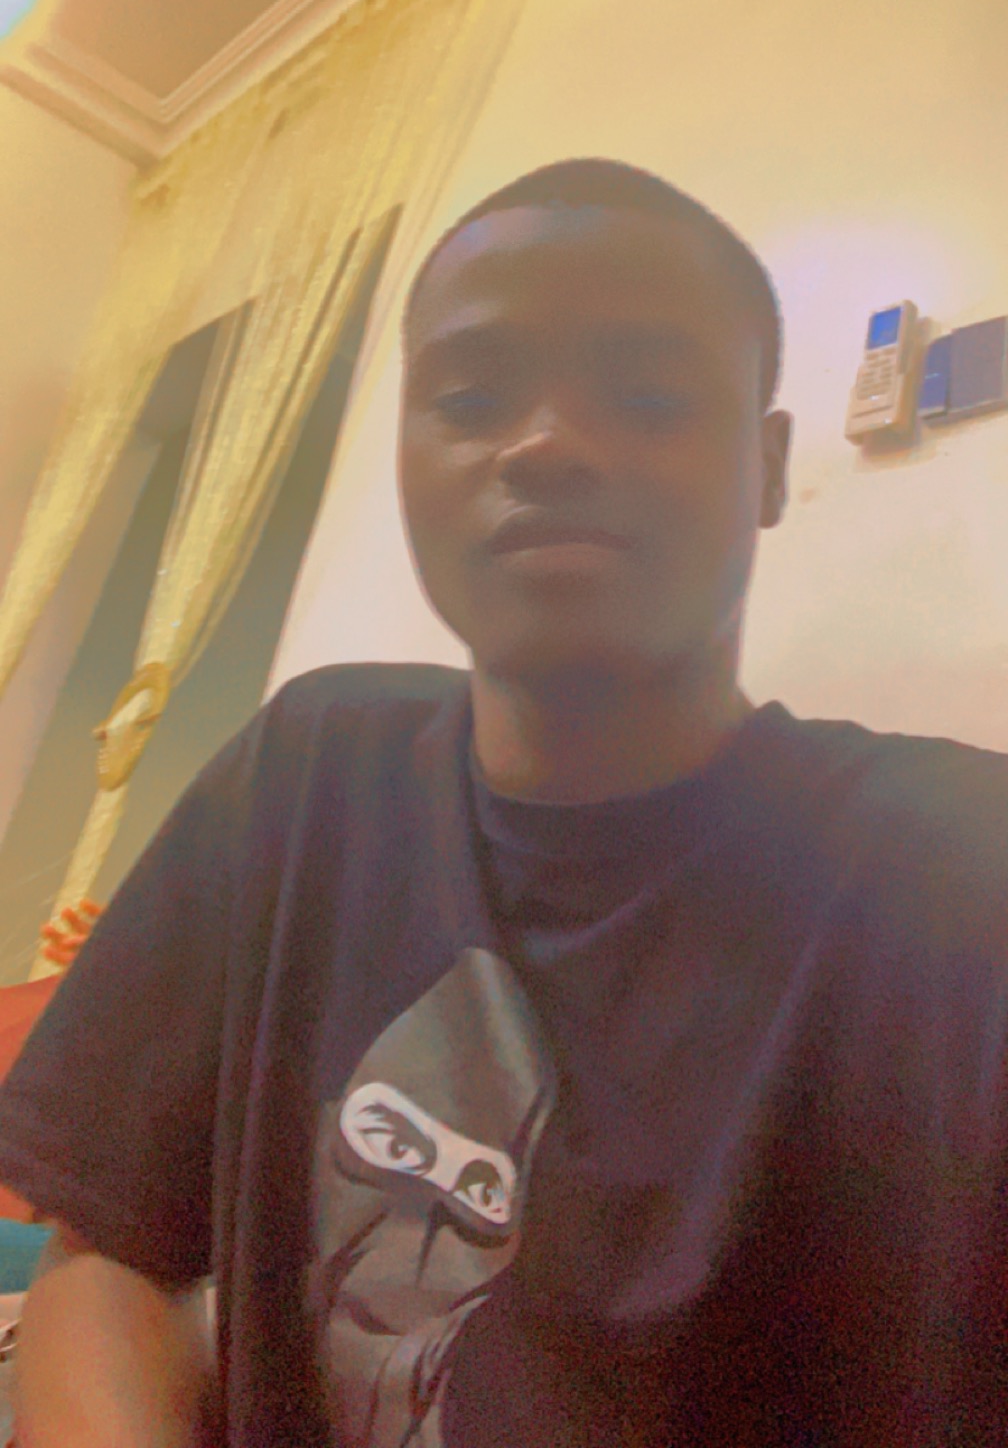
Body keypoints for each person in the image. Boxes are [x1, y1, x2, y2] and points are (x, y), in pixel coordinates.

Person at [0, 157, 1005, 1447]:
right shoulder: (309, 770)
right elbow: (111, 1251)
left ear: (766, 468)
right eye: (472, 398)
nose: (544, 444)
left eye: (649, 396)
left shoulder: (957, 874)